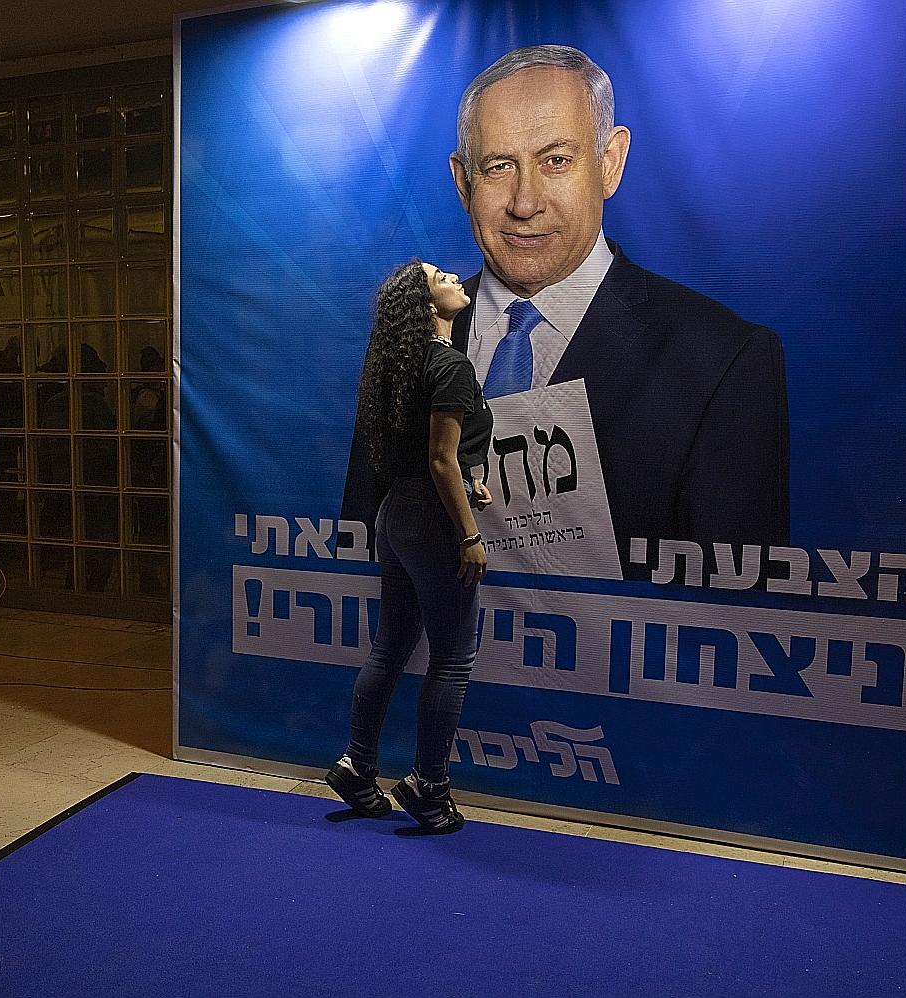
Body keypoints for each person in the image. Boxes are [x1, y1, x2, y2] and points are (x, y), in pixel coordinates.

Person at [344, 45, 789, 572]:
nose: (525, 203)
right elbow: (364, 561)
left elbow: (736, 617)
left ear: (610, 163)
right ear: (464, 182)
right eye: (498, 166)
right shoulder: (410, 339)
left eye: (556, 161)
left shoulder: (724, 360)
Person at [326, 260, 494, 835]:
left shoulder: (397, 367)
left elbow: (440, 456)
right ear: (426, 307)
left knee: (391, 646)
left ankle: (356, 765)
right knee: (451, 658)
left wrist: (468, 475)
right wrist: (469, 534)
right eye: (441, 279)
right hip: (431, 523)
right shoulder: (448, 364)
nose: (454, 279)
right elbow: (439, 459)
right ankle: (429, 786)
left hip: (394, 516)